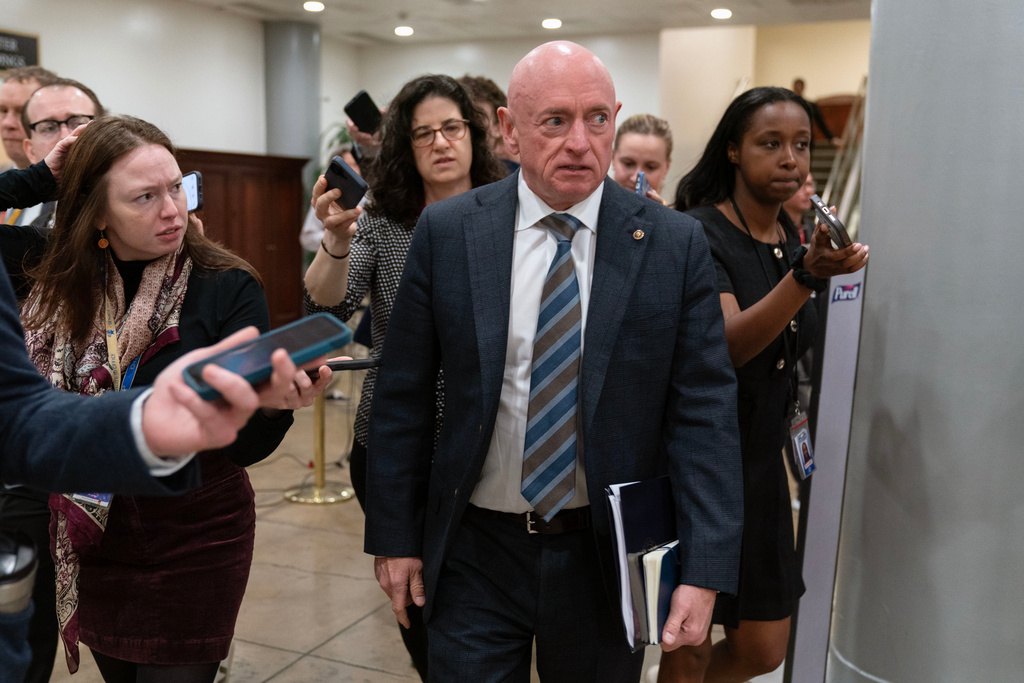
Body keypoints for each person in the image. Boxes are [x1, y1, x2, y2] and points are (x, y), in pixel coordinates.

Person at [364, 41, 744, 682]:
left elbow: (704, 413)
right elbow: (401, 394)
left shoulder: (673, 245)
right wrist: (395, 539)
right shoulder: (452, 233)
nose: (580, 142)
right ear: (509, 130)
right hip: (475, 549)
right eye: (555, 121)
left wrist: (703, 571)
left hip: (605, 556)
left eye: (598, 119)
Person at [17, 115, 330, 683]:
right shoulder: (57, 287)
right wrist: (39, 179)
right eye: (144, 197)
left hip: (196, 534)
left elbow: (246, 450)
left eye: (177, 187)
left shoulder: (225, 283)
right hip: (95, 533)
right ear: (96, 215)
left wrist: (273, 404)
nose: (173, 210)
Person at [660, 87, 868, 682]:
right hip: (698, 468)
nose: (791, 159)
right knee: (689, 641)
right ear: (732, 150)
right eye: (770, 143)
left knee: (764, 647)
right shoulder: (698, 234)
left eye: (801, 145)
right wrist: (806, 277)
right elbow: (730, 345)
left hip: (762, 469)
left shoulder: (791, 241)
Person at [304, 73, 506, 680]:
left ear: (474, 134)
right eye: (423, 133)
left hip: (494, 442)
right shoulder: (388, 220)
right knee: (418, 605)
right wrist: (336, 242)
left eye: (452, 127)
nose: (441, 143)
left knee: (489, 604)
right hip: (400, 444)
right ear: (403, 145)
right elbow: (327, 306)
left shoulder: (513, 214)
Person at [0, 76, 106, 683]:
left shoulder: (148, 200)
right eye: (48, 126)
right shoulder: (18, 208)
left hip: (111, 428)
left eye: (80, 121)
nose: (67, 137)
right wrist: (41, 179)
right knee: (31, 619)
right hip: (31, 437)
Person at [457, 74, 521, 171]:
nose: (468, 126)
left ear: (500, 127)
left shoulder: (519, 178)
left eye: (477, 118)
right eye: (458, 119)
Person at [611, 113, 673, 204]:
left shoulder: (678, 217)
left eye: (650, 167)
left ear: (666, 168)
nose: (636, 178)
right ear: (612, 158)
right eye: (628, 164)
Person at [791, 78, 839, 146]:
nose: (798, 89)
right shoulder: (787, 105)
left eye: (799, 87)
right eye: (796, 87)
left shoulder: (811, 106)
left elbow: (821, 123)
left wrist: (832, 139)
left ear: (803, 88)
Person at [782, 171, 816, 243]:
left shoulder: (813, 229)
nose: (808, 191)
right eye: (801, 185)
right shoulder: (773, 230)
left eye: (810, 185)